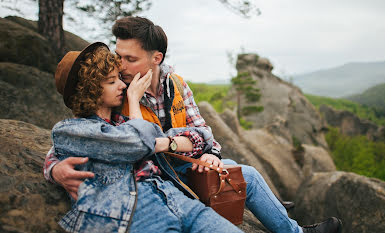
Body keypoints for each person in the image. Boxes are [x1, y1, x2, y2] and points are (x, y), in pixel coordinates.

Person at [45, 17, 342, 233]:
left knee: (243, 174)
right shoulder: (115, 91)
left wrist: (205, 151)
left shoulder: (175, 84)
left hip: (181, 164)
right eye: (118, 56)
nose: (120, 65)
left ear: (155, 58)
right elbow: (80, 137)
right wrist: (54, 168)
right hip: (157, 176)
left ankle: (296, 232)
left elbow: (203, 131)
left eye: (129, 58)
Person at [51, 42, 243, 233]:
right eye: (111, 81)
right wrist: (134, 102)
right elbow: (137, 143)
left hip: (172, 196)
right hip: (136, 209)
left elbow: (203, 136)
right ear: (89, 91)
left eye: (119, 78)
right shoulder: (71, 131)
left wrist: (168, 142)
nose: (122, 85)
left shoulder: (123, 121)